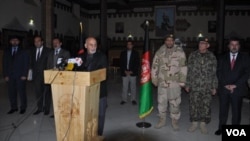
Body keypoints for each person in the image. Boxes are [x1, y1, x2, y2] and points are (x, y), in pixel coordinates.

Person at [151, 34, 187, 131]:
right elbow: (155, 65)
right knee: (161, 103)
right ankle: (162, 120)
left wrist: (182, 80)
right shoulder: (160, 51)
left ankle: (174, 121)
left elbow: (183, 67)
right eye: (167, 40)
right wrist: (154, 78)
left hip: (174, 84)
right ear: (165, 41)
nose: (169, 42)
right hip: (162, 83)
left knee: (175, 103)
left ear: (174, 41)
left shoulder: (180, 52)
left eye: (171, 40)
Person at [215, 37, 250, 135]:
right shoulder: (222, 57)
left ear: (239, 46)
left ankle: (235, 131)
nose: (234, 46)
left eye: (236, 44)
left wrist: (235, 85)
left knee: (236, 112)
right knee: (223, 111)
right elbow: (219, 72)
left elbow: (247, 73)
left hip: (238, 89)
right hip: (224, 88)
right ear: (228, 46)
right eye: (232, 44)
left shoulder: (245, 57)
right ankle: (221, 128)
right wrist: (225, 84)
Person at [185, 37, 218, 134]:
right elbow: (189, 71)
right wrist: (187, 84)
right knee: (194, 104)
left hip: (207, 86)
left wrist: (214, 86)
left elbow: (214, 72)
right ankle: (194, 123)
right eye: (200, 43)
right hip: (194, 85)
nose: (201, 45)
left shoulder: (212, 57)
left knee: (206, 105)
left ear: (207, 45)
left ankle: (203, 123)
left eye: (203, 43)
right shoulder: (193, 55)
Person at [78, 37, 108, 136]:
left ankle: (99, 134)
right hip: (85, 91)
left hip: (99, 91)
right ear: (85, 45)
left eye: (95, 44)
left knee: (100, 114)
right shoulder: (80, 57)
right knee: (87, 114)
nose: (93, 47)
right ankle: (87, 133)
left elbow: (103, 72)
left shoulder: (102, 56)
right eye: (91, 44)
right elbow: (76, 71)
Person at [2, 36, 29, 114]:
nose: (14, 41)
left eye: (16, 40)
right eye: (13, 40)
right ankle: (14, 107)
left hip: (20, 76)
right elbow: (4, 64)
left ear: (19, 42)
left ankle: (23, 107)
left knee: (22, 92)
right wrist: (5, 75)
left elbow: (26, 64)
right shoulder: (6, 51)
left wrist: (24, 74)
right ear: (10, 42)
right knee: (11, 92)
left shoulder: (23, 51)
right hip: (10, 76)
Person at [46, 37, 71, 118]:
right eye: (53, 43)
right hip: (52, 77)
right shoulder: (50, 53)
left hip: (62, 77)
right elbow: (48, 65)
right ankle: (55, 112)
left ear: (60, 43)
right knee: (54, 95)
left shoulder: (66, 53)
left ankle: (63, 111)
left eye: (56, 42)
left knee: (62, 96)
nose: (55, 44)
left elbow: (68, 65)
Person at [31, 36, 52, 115]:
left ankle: (46, 109)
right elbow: (32, 63)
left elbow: (50, 63)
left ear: (42, 42)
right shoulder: (32, 51)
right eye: (35, 41)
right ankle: (39, 108)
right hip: (36, 76)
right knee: (38, 93)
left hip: (45, 76)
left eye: (38, 41)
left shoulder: (48, 51)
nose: (37, 43)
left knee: (47, 93)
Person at [119, 40, 140, 105]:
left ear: (132, 45)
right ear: (126, 45)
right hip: (124, 72)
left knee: (133, 87)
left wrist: (132, 71)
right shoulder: (123, 53)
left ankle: (133, 99)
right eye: (128, 44)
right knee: (124, 87)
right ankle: (124, 99)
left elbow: (137, 63)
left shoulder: (136, 53)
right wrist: (124, 70)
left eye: (130, 44)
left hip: (132, 72)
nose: (129, 45)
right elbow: (121, 63)